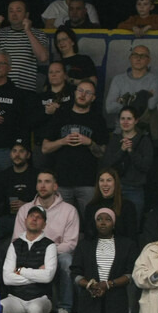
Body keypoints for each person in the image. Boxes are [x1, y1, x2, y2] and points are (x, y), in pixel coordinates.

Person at [14, 170, 80, 313]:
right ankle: (22, 301)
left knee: (67, 261)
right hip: (30, 253)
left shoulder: (69, 210)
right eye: (39, 182)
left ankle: (64, 307)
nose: (43, 185)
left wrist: (48, 254)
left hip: (58, 254)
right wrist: (37, 255)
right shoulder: (25, 209)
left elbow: (70, 243)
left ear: (55, 186)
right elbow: (17, 240)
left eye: (47, 182)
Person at [41, 79, 107, 213]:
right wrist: (63, 141)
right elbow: (45, 148)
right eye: (80, 90)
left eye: (88, 93)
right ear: (75, 93)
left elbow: (102, 153)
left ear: (93, 98)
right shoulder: (61, 115)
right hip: (61, 181)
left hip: (87, 182)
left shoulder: (98, 119)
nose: (83, 95)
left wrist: (89, 142)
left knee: (90, 222)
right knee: (60, 223)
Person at [0, 205, 56, 313]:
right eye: (31, 216)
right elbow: (7, 278)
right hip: (16, 298)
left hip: (41, 298)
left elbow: (47, 276)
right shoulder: (15, 244)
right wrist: (36, 273)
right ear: (25, 220)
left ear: (44, 224)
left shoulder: (49, 245)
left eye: (39, 217)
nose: (34, 219)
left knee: (34, 308)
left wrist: (20, 270)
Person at [0, 0, 50, 94]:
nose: (14, 14)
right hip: (2, 90)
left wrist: (28, 31)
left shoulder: (38, 34)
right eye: (11, 11)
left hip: (26, 90)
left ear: (27, 15)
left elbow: (43, 57)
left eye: (18, 10)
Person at [103, 46, 158, 139]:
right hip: (121, 133)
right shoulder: (118, 79)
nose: (138, 58)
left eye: (143, 56)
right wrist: (141, 99)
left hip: (144, 134)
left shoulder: (154, 79)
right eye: (135, 55)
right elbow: (109, 107)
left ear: (149, 60)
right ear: (130, 58)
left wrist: (124, 101)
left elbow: (153, 105)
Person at [101, 107, 153, 214]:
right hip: (115, 188)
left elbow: (145, 166)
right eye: (122, 118)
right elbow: (107, 164)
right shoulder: (115, 139)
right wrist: (121, 150)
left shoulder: (144, 140)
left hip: (135, 188)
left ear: (136, 120)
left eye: (129, 119)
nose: (125, 122)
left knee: (134, 223)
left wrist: (131, 151)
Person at [82, 169, 139, 242]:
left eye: (109, 180)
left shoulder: (127, 206)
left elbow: (132, 237)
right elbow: (88, 237)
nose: (104, 184)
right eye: (101, 180)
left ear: (115, 183)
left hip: (122, 249)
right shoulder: (90, 207)